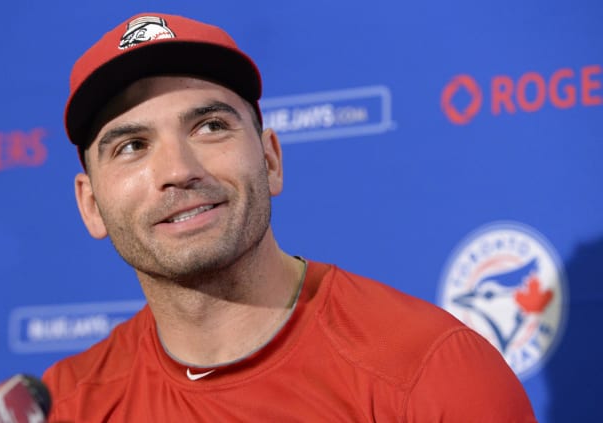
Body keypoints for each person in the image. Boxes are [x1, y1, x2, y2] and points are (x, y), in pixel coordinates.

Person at [42, 12, 537, 422]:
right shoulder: (64, 405)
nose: (177, 170)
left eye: (210, 126)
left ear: (271, 160)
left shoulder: (432, 375)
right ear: (90, 204)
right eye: (132, 145)